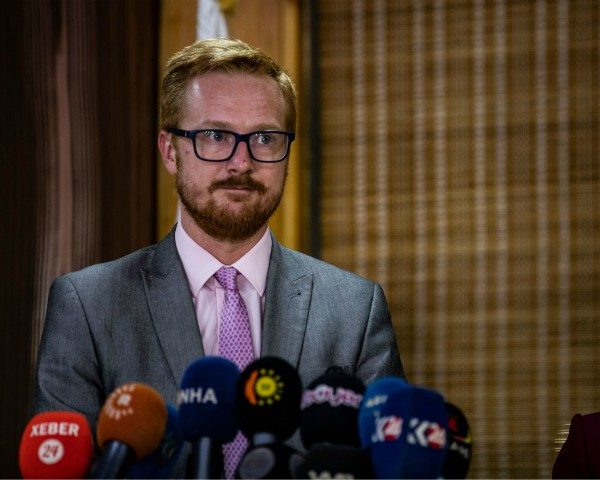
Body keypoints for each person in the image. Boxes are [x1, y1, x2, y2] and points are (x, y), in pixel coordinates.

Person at [33, 37, 405, 477]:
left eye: (264, 138)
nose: (241, 162)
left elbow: (390, 467)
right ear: (170, 151)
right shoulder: (86, 305)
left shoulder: (355, 309)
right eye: (215, 136)